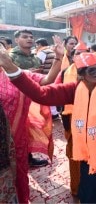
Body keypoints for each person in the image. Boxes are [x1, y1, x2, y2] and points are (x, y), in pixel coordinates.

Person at [0, 27, 96, 203]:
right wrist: (10, 67)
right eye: (91, 71)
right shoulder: (73, 89)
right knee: (92, 194)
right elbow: (41, 94)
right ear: (81, 75)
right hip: (89, 150)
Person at [0, 35, 63, 203]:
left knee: (19, 176)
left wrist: (59, 57)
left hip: (17, 138)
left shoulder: (18, 75)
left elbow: (47, 80)